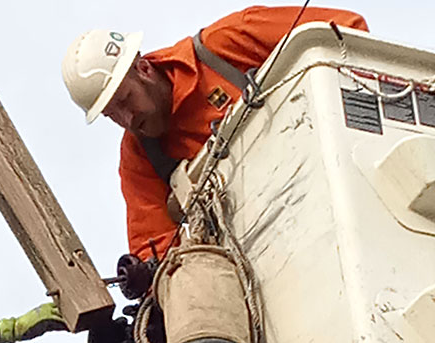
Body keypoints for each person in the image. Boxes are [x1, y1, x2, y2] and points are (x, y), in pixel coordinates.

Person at [61, 6, 368, 262]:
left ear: (143, 69)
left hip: (338, 179)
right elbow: (152, 251)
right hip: (267, 254)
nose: (126, 119)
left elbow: (345, 32)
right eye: (110, 114)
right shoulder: (140, 156)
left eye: (125, 99)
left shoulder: (224, 46)